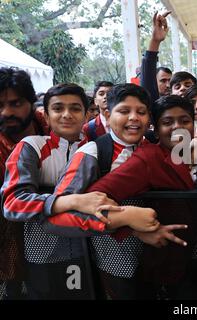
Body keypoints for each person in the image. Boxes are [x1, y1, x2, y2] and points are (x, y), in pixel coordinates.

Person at [46, 84, 186, 299]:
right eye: (124, 111)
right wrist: (127, 222)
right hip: (115, 263)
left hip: (157, 260)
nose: (134, 118)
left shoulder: (155, 148)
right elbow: (58, 217)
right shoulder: (92, 153)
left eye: (141, 112)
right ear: (107, 114)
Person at [1, 83, 127, 299]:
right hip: (41, 254)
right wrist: (73, 201)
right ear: (46, 117)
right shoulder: (30, 146)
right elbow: (13, 204)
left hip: (88, 251)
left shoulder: (99, 148)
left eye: (75, 108)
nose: (67, 115)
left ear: (87, 114)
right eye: (58, 108)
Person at [0, 67, 49, 299]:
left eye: (15, 103)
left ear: (32, 102)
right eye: (0, 106)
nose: (6, 112)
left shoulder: (53, 127)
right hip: (9, 243)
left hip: (59, 241)